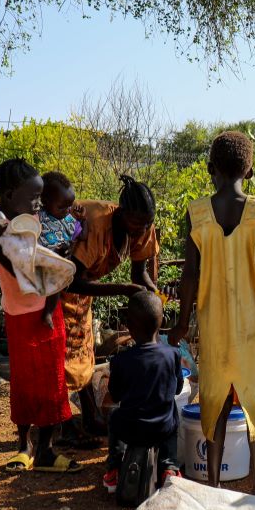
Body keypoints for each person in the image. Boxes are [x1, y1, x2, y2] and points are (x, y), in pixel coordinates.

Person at [169, 131, 255, 497]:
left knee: (216, 402)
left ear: (211, 169)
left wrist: (182, 322)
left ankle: (211, 486)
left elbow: (189, 275)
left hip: (214, 324)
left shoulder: (197, 213)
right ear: (251, 169)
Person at [0, 159, 78, 473]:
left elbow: (46, 261)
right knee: (23, 381)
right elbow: (20, 271)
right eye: (33, 197)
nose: (38, 204)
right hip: (20, 314)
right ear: (10, 195)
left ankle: (47, 449)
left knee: (52, 379)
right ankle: (24, 445)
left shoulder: (33, 221)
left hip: (47, 313)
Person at [61, 175, 160, 442]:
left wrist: (153, 297)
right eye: (136, 224)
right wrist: (124, 289)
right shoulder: (95, 222)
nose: (141, 230)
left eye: (147, 224)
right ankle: (64, 424)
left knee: (83, 350)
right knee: (62, 355)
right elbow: (72, 281)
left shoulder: (143, 226)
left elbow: (140, 275)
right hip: (58, 287)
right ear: (122, 211)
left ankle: (90, 416)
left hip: (83, 288)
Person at [102, 291, 183, 494]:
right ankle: (169, 467)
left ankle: (114, 469)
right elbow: (178, 389)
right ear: (162, 321)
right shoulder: (172, 354)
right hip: (161, 428)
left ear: (129, 326)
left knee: (114, 415)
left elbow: (116, 394)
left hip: (130, 429)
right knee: (172, 411)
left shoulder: (120, 361)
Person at [38, 171, 82, 330]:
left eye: (70, 205)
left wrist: (83, 221)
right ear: (45, 201)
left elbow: (80, 235)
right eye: (62, 206)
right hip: (42, 258)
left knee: (56, 280)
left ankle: (48, 312)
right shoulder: (39, 216)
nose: (67, 210)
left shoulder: (69, 219)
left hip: (59, 262)